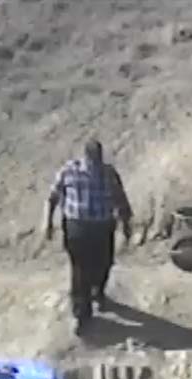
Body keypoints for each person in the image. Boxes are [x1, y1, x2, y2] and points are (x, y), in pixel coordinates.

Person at [42, 139, 132, 335]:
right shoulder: (70, 171)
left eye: (97, 160)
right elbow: (53, 197)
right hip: (77, 227)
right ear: (85, 157)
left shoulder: (108, 174)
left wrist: (126, 224)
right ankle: (81, 315)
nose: (94, 164)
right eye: (92, 160)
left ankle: (97, 291)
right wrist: (47, 223)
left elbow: (120, 199)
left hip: (102, 226)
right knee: (80, 270)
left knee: (104, 263)